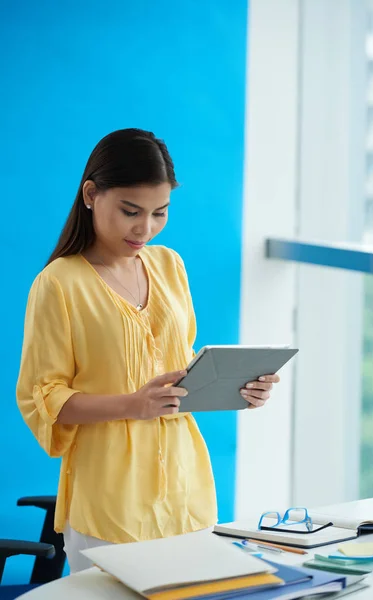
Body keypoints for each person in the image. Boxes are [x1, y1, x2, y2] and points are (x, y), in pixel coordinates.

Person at [16, 128, 280, 573]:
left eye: (160, 213)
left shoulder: (169, 265)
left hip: (185, 489)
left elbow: (180, 367)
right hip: (109, 500)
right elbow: (44, 399)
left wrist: (240, 388)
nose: (145, 228)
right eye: (130, 211)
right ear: (90, 195)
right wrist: (134, 404)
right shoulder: (59, 284)